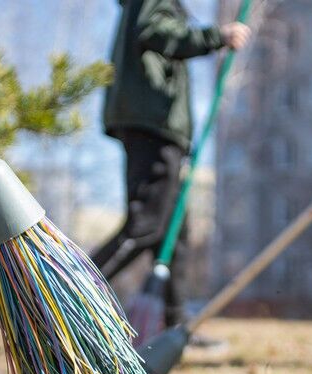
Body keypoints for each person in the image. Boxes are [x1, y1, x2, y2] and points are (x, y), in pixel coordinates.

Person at [92, 0, 250, 328]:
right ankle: (62, 295)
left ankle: (176, 330)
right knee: (146, 224)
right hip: (154, 123)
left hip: (156, 124)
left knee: (174, 235)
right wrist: (216, 37)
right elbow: (154, 30)